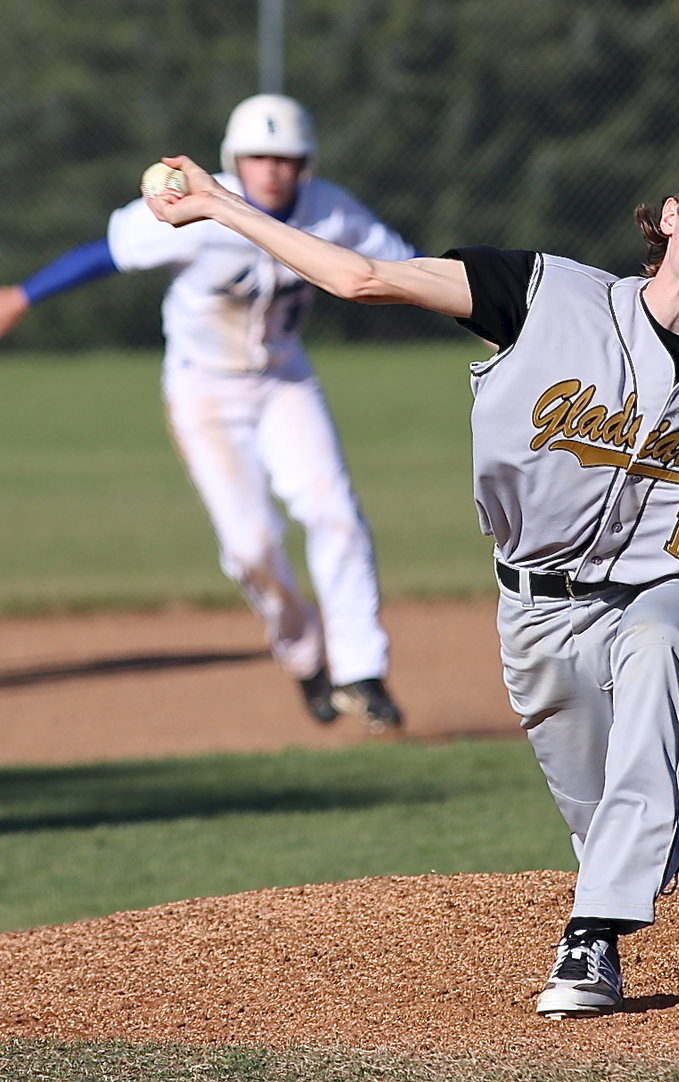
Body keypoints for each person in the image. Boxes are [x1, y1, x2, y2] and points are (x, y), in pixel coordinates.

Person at [144, 141, 679, 1017]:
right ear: (671, 211)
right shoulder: (542, 294)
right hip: (536, 605)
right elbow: (359, 279)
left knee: (655, 651)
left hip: (672, 584)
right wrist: (222, 206)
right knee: (609, 816)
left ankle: (591, 943)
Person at [0, 94, 420, 731]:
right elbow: (106, 253)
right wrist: (23, 296)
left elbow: (403, 266)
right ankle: (305, 656)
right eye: (259, 155)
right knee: (251, 546)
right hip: (204, 391)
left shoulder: (331, 211)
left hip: (285, 381)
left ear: (304, 163)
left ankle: (362, 670)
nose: (272, 168)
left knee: (333, 511)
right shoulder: (197, 204)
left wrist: (481, 311)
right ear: (234, 159)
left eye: (286, 157)